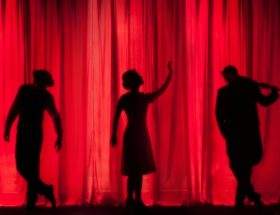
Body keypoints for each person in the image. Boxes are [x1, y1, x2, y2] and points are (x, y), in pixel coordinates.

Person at [111, 62, 173, 208]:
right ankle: (132, 199)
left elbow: (116, 117)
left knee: (136, 170)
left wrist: (113, 134)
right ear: (132, 82)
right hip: (136, 135)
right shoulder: (133, 98)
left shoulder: (134, 98)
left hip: (138, 135)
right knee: (135, 170)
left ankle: (134, 199)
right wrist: (113, 134)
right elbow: (116, 117)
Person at [215, 65, 279, 208]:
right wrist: (274, 94)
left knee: (240, 167)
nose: (224, 78)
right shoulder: (244, 87)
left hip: (240, 134)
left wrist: (225, 132)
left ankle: (246, 199)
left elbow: (219, 115)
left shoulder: (228, 91)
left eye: (225, 75)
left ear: (230, 75)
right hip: (241, 134)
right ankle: (251, 197)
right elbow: (264, 101)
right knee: (242, 167)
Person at [4, 70, 62, 210]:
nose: (40, 83)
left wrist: (60, 134)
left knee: (31, 168)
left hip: (32, 134)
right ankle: (45, 190)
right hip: (26, 133)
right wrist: (7, 126)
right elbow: (15, 109)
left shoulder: (44, 96)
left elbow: (55, 116)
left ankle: (32, 199)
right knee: (24, 167)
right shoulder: (26, 91)